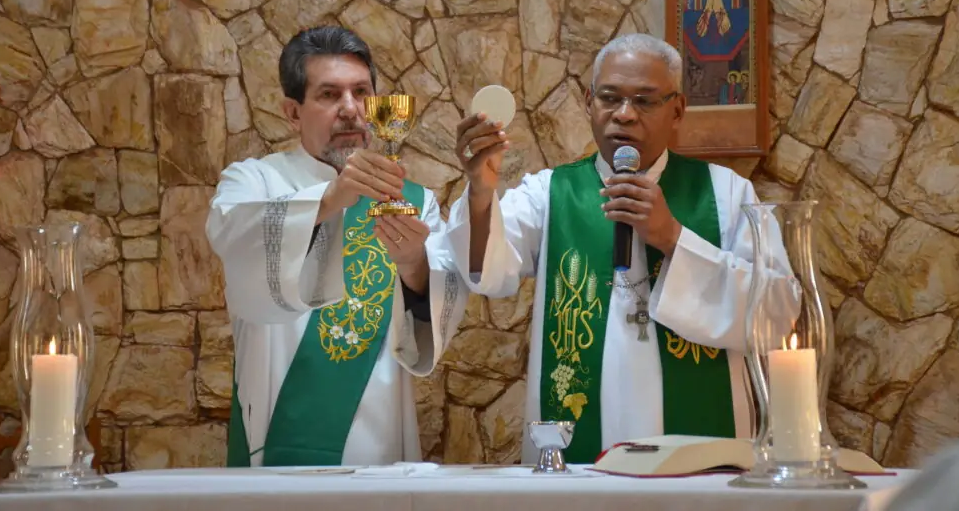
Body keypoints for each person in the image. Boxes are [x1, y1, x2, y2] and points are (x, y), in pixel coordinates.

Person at [445, 33, 790, 464]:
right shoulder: (550, 193)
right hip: (581, 459)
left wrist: (671, 237)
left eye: (644, 101)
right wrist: (480, 190)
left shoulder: (728, 194)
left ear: (677, 110)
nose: (624, 114)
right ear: (589, 102)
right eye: (610, 98)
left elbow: (777, 313)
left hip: (701, 463)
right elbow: (486, 270)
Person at [206, 26, 467, 467]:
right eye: (329, 95)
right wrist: (330, 200)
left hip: (379, 448)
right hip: (277, 440)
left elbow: (436, 323)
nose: (350, 109)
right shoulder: (253, 181)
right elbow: (234, 237)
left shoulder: (412, 202)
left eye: (361, 92)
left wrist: (414, 267)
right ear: (293, 113)